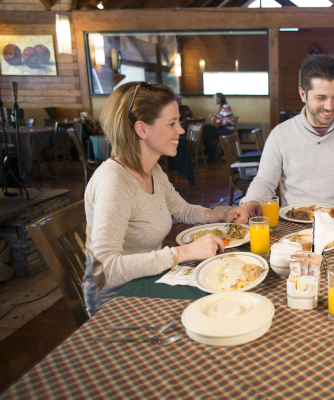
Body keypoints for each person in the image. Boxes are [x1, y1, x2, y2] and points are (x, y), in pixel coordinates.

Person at [83, 82, 243, 317]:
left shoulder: (152, 169)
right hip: (118, 302)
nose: (180, 130)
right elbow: (105, 270)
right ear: (142, 129)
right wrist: (182, 253)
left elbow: (182, 210)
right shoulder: (114, 181)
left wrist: (223, 216)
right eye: (172, 124)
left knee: (226, 293)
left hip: (150, 280)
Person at [238, 54, 334, 218]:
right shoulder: (280, 134)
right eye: (321, 98)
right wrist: (253, 199)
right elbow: (264, 181)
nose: (329, 107)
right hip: (293, 223)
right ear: (302, 94)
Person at [203, 92, 234, 160]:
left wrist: (216, 120)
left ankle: (215, 156)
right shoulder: (224, 106)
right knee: (208, 134)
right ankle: (215, 154)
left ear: (219, 98)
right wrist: (215, 116)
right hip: (225, 129)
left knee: (207, 135)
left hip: (227, 130)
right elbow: (223, 117)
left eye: (214, 98)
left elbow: (228, 122)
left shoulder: (225, 107)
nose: (213, 99)